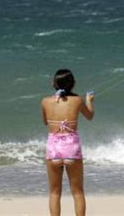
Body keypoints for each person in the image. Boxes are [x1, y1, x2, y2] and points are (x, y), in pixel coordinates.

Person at [41, 69, 94, 216]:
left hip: (54, 150)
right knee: (77, 192)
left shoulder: (45, 101)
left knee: (54, 192)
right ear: (73, 84)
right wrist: (89, 100)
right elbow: (90, 116)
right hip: (72, 149)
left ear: (53, 84)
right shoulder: (77, 100)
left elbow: (45, 122)